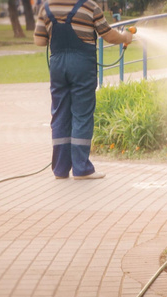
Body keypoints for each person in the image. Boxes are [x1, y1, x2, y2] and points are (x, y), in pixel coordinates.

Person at [33, 0, 132, 180]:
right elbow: (108, 35)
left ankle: (60, 170)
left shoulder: (46, 7)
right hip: (82, 65)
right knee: (82, 114)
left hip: (57, 65)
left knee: (60, 114)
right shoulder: (90, 6)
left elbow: (39, 40)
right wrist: (125, 37)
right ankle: (81, 169)